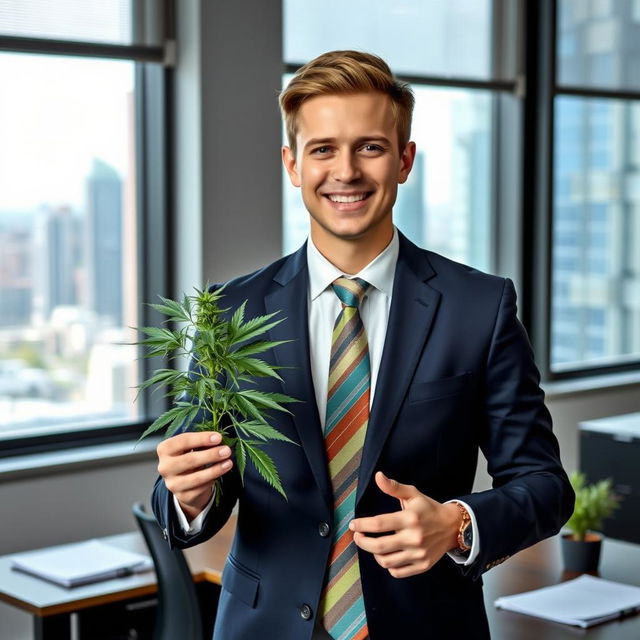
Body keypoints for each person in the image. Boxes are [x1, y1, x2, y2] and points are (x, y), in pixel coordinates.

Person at [152, 50, 574, 640]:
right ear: (292, 165)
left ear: (404, 161)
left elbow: (545, 485)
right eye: (322, 149)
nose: (345, 171)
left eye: (370, 147)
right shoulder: (229, 311)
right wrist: (188, 494)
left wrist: (457, 523)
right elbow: (205, 481)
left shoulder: (481, 307)